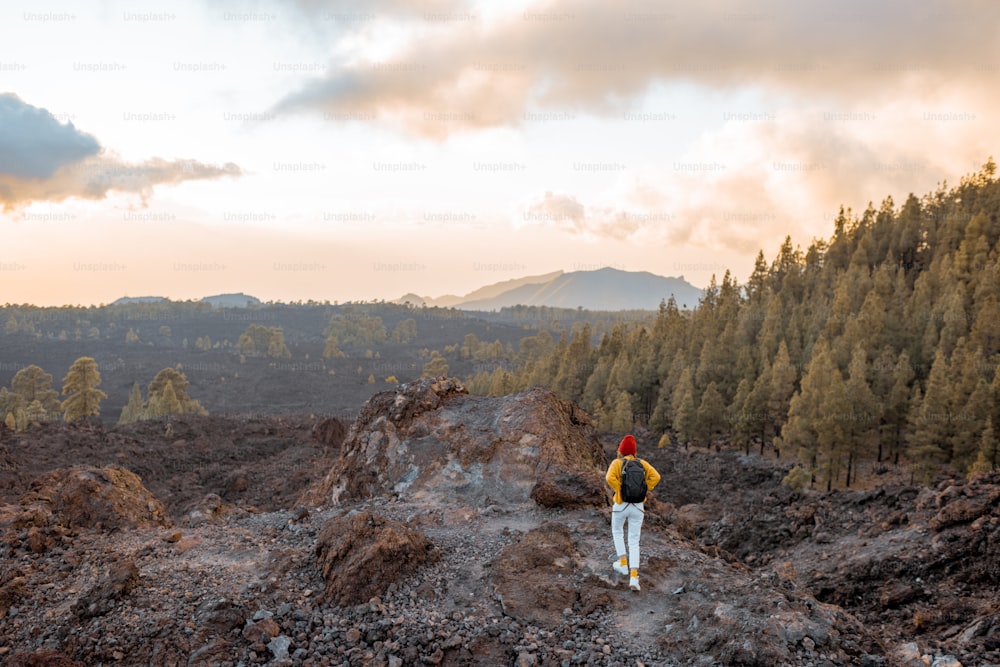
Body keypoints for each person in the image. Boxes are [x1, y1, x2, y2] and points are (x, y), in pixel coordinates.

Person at [605, 434, 660, 591]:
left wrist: (619, 490)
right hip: (638, 506)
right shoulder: (642, 464)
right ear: (634, 452)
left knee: (617, 531)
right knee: (634, 541)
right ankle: (634, 578)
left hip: (621, 505)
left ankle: (623, 564)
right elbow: (656, 477)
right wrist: (644, 489)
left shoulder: (617, 463)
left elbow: (609, 478)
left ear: (621, 451)